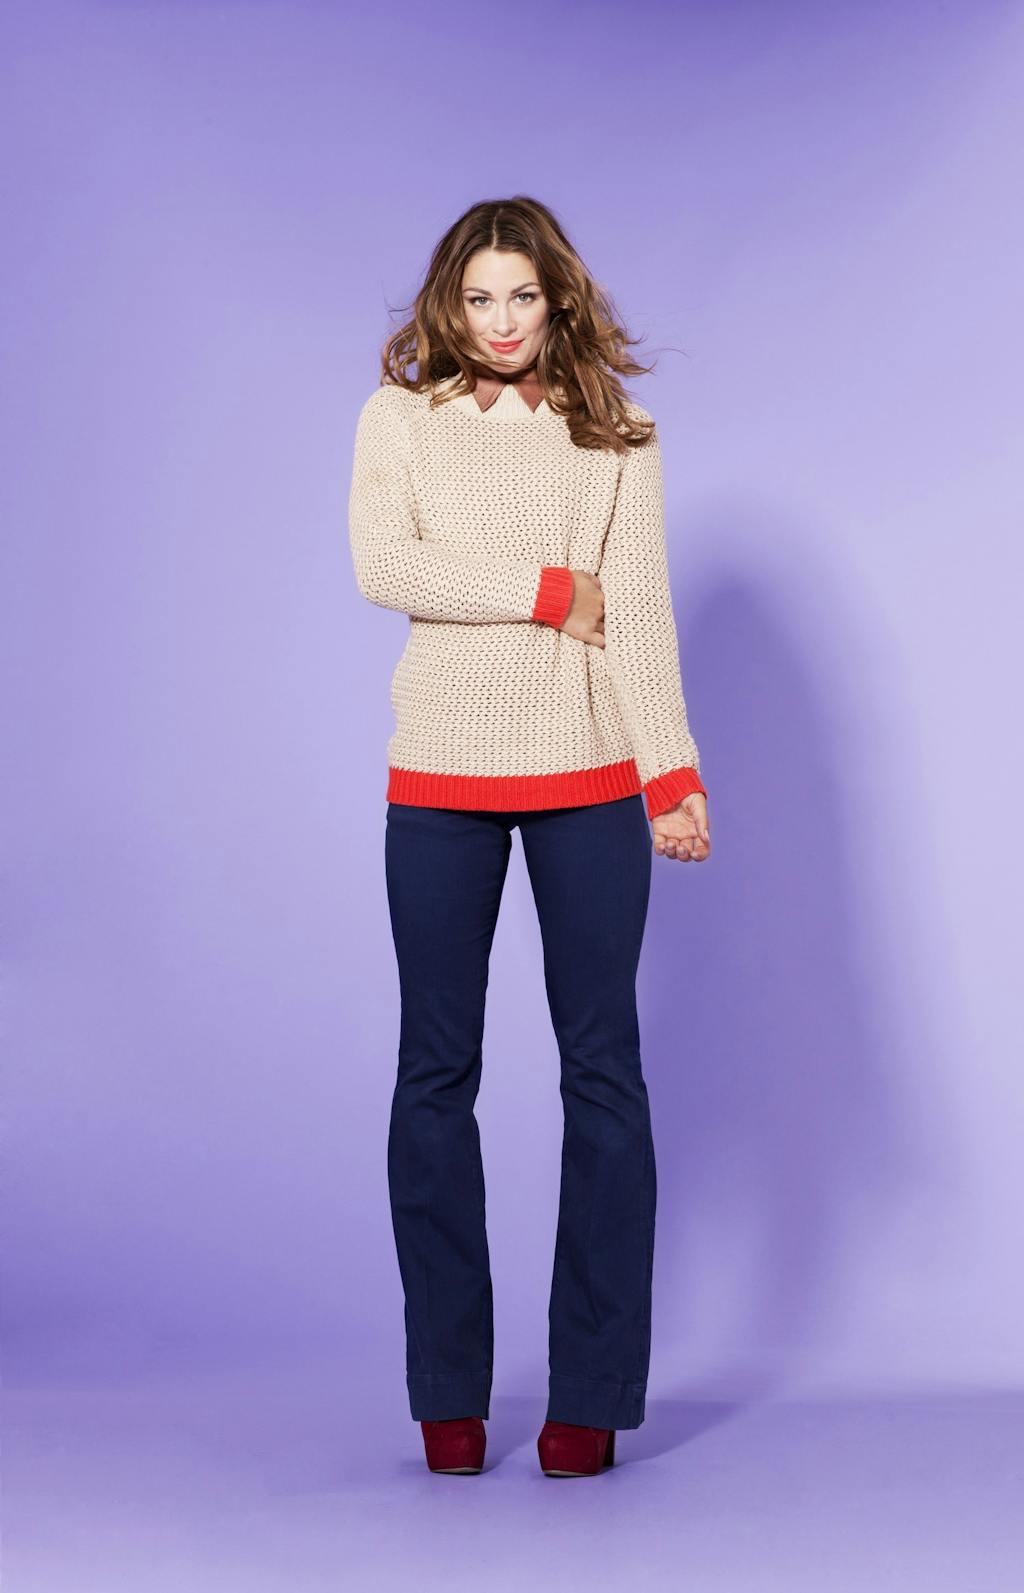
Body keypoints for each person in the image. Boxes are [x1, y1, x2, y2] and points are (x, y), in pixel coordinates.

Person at [347, 195, 711, 1478]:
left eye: (522, 296)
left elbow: (642, 614)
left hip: (591, 776)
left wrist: (671, 774)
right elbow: (386, 566)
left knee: (602, 1074)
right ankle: (447, 1389)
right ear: (448, 304)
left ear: (556, 300)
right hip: (439, 774)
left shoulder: (617, 433)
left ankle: (591, 1395)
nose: (500, 321)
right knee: (434, 1075)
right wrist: (552, 590)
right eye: (478, 298)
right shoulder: (399, 420)